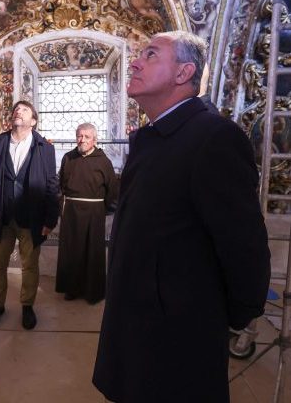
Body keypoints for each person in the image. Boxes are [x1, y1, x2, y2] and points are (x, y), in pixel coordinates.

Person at [93, 31, 271, 403]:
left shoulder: (213, 138)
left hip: (176, 336)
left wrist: (227, 316)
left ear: (183, 73)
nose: (135, 63)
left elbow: (244, 247)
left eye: (151, 54)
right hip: (138, 323)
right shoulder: (155, 138)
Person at [0, 100, 58, 330]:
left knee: (29, 265)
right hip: (2, 216)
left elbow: (51, 184)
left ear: (33, 121)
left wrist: (50, 219)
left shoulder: (45, 148)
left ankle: (27, 306)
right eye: (16, 109)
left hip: (31, 217)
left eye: (25, 110)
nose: (18, 111)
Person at [55, 123, 118, 303]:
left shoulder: (103, 161)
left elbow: (112, 190)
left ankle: (93, 292)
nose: (82, 140)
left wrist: (100, 209)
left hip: (94, 213)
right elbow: (61, 185)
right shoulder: (68, 158)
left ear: (94, 140)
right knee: (72, 251)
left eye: (86, 137)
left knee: (92, 252)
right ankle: (72, 289)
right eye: (79, 136)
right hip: (71, 213)